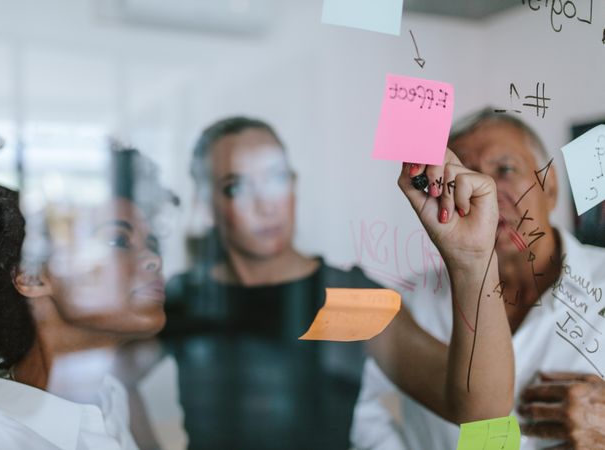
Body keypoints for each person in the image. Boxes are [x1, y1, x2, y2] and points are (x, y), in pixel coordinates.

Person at [163, 116, 515, 449]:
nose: (265, 204)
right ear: (205, 204)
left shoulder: (348, 297)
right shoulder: (183, 298)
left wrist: (473, 261)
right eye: (236, 187)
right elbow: (112, 385)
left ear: (294, 185)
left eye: (276, 178)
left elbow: (482, 413)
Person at [351, 108, 605, 450]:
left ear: (551, 186)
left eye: (504, 170)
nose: (483, 189)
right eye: (463, 176)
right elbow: (367, 418)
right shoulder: (408, 303)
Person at [0, 148, 187, 450]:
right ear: (32, 276)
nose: (154, 261)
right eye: (117, 240)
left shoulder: (108, 393)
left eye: (152, 241)